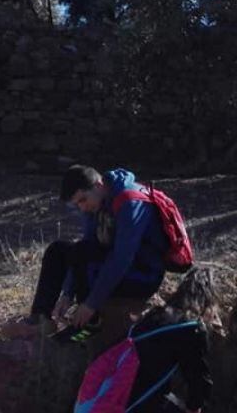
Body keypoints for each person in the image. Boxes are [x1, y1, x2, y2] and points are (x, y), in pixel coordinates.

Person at [25, 165, 168, 330]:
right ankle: (40, 320)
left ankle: (88, 325)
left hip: (143, 274)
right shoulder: (96, 201)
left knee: (89, 267)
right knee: (58, 250)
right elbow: (84, 248)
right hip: (115, 261)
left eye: (83, 200)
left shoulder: (130, 202)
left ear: (99, 185)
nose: (82, 208)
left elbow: (121, 260)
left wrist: (90, 304)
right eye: (77, 204)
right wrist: (67, 293)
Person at [120, 267, 220, 413]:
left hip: (116, 395)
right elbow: (198, 380)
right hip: (141, 403)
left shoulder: (154, 315)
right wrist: (195, 406)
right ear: (209, 299)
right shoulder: (191, 327)